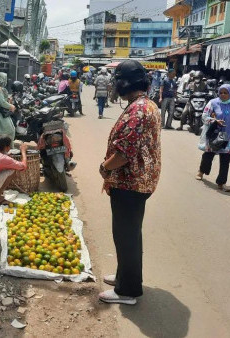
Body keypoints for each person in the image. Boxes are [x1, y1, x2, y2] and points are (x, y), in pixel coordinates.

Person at [98, 60, 161, 305]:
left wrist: (104, 167)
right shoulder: (147, 104)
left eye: (116, 81)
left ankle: (127, 291)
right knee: (130, 234)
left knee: (126, 235)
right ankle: (125, 276)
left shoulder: (137, 110)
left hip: (130, 183)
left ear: (125, 83)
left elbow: (125, 153)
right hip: (139, 182)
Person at [196, 84, 230, 192]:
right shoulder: (213, 103)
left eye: (225, 92)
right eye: (221, 92)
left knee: (225, 159)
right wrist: (215, 121)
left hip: (228, 136)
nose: (223, 95)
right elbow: (204, 116)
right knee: (208, 155)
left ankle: (221, 182)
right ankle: (201, 171)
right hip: (214, 134)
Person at [0, 72, 16, 142]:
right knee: (9, 130)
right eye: (5, 79)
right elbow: (1, 102)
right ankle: (6, 147)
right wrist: (11, 106)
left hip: (1, 111)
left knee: (8, 129)